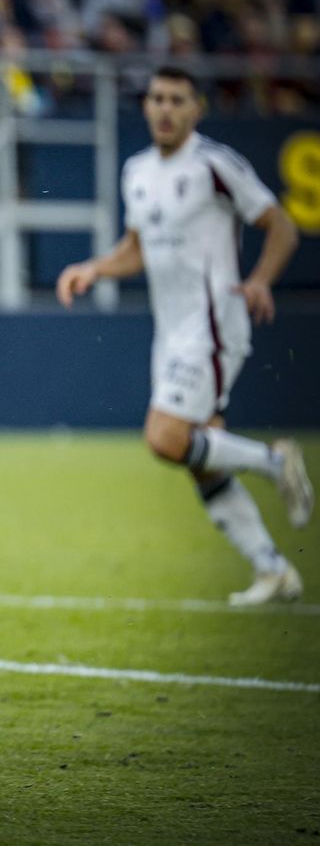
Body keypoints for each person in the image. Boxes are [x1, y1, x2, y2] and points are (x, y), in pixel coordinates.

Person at [57, 66, 312, 606]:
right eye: (156, 99)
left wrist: (260, 280)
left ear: (196, 108)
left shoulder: (214, 165)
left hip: (214, 323)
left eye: (177, 99)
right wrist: (95, 269)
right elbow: (138, 247)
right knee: (200, 460)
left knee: (164, 438)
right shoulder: (137, 171)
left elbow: (282, 226)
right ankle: (272, 568)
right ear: (146, 106)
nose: (165, 109)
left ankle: (275, 462)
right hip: (170, 332)